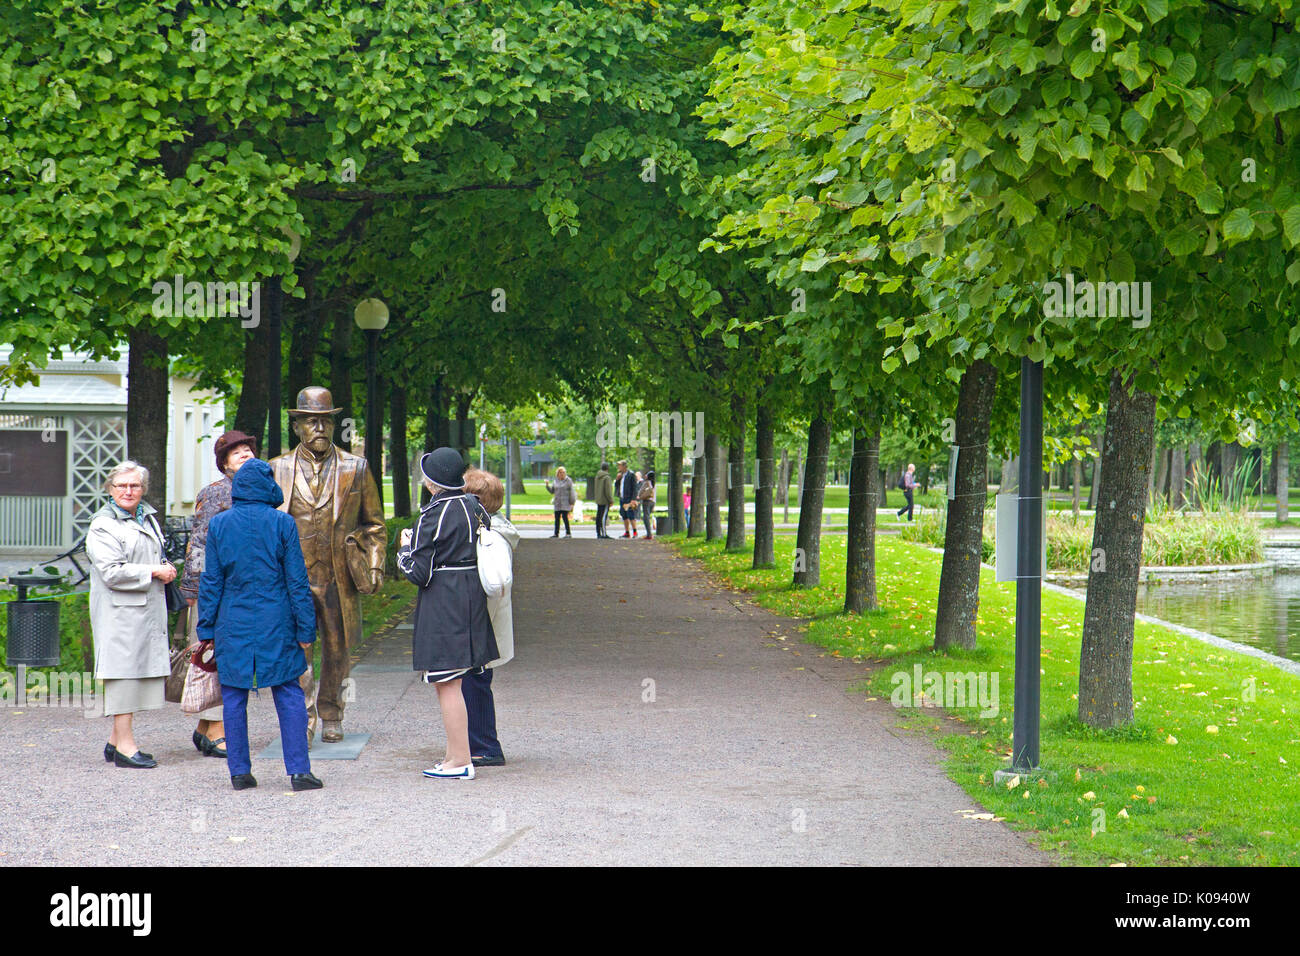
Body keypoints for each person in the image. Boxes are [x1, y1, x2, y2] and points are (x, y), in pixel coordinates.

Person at [267, 386, 386, 745]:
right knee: (297, 649)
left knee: (337, 649)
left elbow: (375, 524)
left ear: (333, 425)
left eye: (324, 421)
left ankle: (332, 713)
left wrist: (376, 566)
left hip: (337, 577)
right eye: (309, 422)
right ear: (297, 426)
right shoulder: (277, 468)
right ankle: (302, 717)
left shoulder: (356, 467)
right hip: (293, 577)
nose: (318, 428)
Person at [198, 459, 320, 791]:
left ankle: (239, 772)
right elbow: (297, 581)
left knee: (235, 695)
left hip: (232, 619)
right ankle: (299, 771)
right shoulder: (283, 523)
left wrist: (206, 629)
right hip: (276, 619)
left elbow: (212, 581)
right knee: (288, 690)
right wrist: (306, 629)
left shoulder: (220, 525)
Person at [396, 448, 499, 780]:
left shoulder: (433, 513)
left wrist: (403, 549)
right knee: (458, 679)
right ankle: (458, 754)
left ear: (431, 483)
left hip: (444, 600)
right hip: (471, 595)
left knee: (447, 683)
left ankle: (460, 760)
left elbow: (419, 573)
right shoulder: (474, 506)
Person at [87, 461, 175, 768]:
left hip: (144, 609)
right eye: (121, 485)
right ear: (110, 490)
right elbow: (111, 572)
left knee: (135, 673)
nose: (128, 491)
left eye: (134, 485)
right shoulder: (103, 524)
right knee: (123, 675)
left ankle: (115, 741)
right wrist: (154, 570)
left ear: (143, 489)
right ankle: (125, 746)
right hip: (118, 613)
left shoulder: (146, 517)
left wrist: (165, 567)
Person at [178, 430, 259, 760]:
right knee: (216, 657)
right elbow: (199, 543)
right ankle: (216, 728)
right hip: (217, 591)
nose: (243, 454)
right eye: (235, 451)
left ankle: (205, 728)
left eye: (248, 449)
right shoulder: (214, 493)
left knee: (228, 656)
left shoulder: (261, 492)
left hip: (246, 591)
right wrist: (194, 591)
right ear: (223, 462)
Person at [461, 468, 519, 766]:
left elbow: (495, 584)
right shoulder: (496, 529)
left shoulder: (489, 536)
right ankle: (479, 744)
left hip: (481, 623)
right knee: (476, 683)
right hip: (485, 623)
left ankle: (485, 747)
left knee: (475, 683)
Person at [545, 465, 575, 538]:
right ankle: (556, 533)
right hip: (557, 503)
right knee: (557, 519)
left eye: (563, 472)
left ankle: (568, 533)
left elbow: (572, 492)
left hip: (565, 503)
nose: (562, 474)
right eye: (560, 473)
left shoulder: (568, 481)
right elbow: (552, 491)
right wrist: (547, 485)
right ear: (557, 474)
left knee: (565, 518)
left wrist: (572, 503)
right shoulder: (556, 481)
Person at [615, 459, 638, 537]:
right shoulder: (620, 475)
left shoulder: (631, 474)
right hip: (622, 497)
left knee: (631, 515)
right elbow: (617, 486)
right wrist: (617, 479)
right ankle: (627, 532)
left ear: (624, 466)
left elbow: (635, 487)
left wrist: (633, 499)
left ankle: (635, 532)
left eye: (620, 465)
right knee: (624, 515)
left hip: (629, 498)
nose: (618, 467)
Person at [593, 462, 615, 538]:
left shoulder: (597, 477)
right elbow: (608, 491)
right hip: (605, 500)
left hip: (599, 499)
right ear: (608, 468)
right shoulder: (607, 478)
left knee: (599, 516)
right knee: (603, 517)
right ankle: (604, 533)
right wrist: (611, 500)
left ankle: (598, 533)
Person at [637, 469, 657, 540]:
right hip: (652, 502)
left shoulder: (647, 482)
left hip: (646, 501)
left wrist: (639, 496)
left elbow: (641, 491)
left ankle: (649, 534)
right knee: (648, 517)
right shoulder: (654, 484)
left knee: (646, 518)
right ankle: (649, 534)